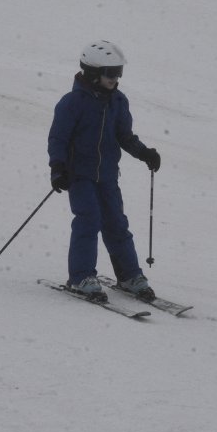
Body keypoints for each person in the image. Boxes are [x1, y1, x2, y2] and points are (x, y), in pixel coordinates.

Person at [47, 40, 161, 302]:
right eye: (110, 73)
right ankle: (81, 277)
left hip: (108, 176)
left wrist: (144, 153)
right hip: (80, 176)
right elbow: (58, 139)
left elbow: (125, 136)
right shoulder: (72, 102)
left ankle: (129, 275)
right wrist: (57, 168)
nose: (116, 78)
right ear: (92, 72)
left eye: (118, 72)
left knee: (116, 224)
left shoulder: (118, 101)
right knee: (89, 220)